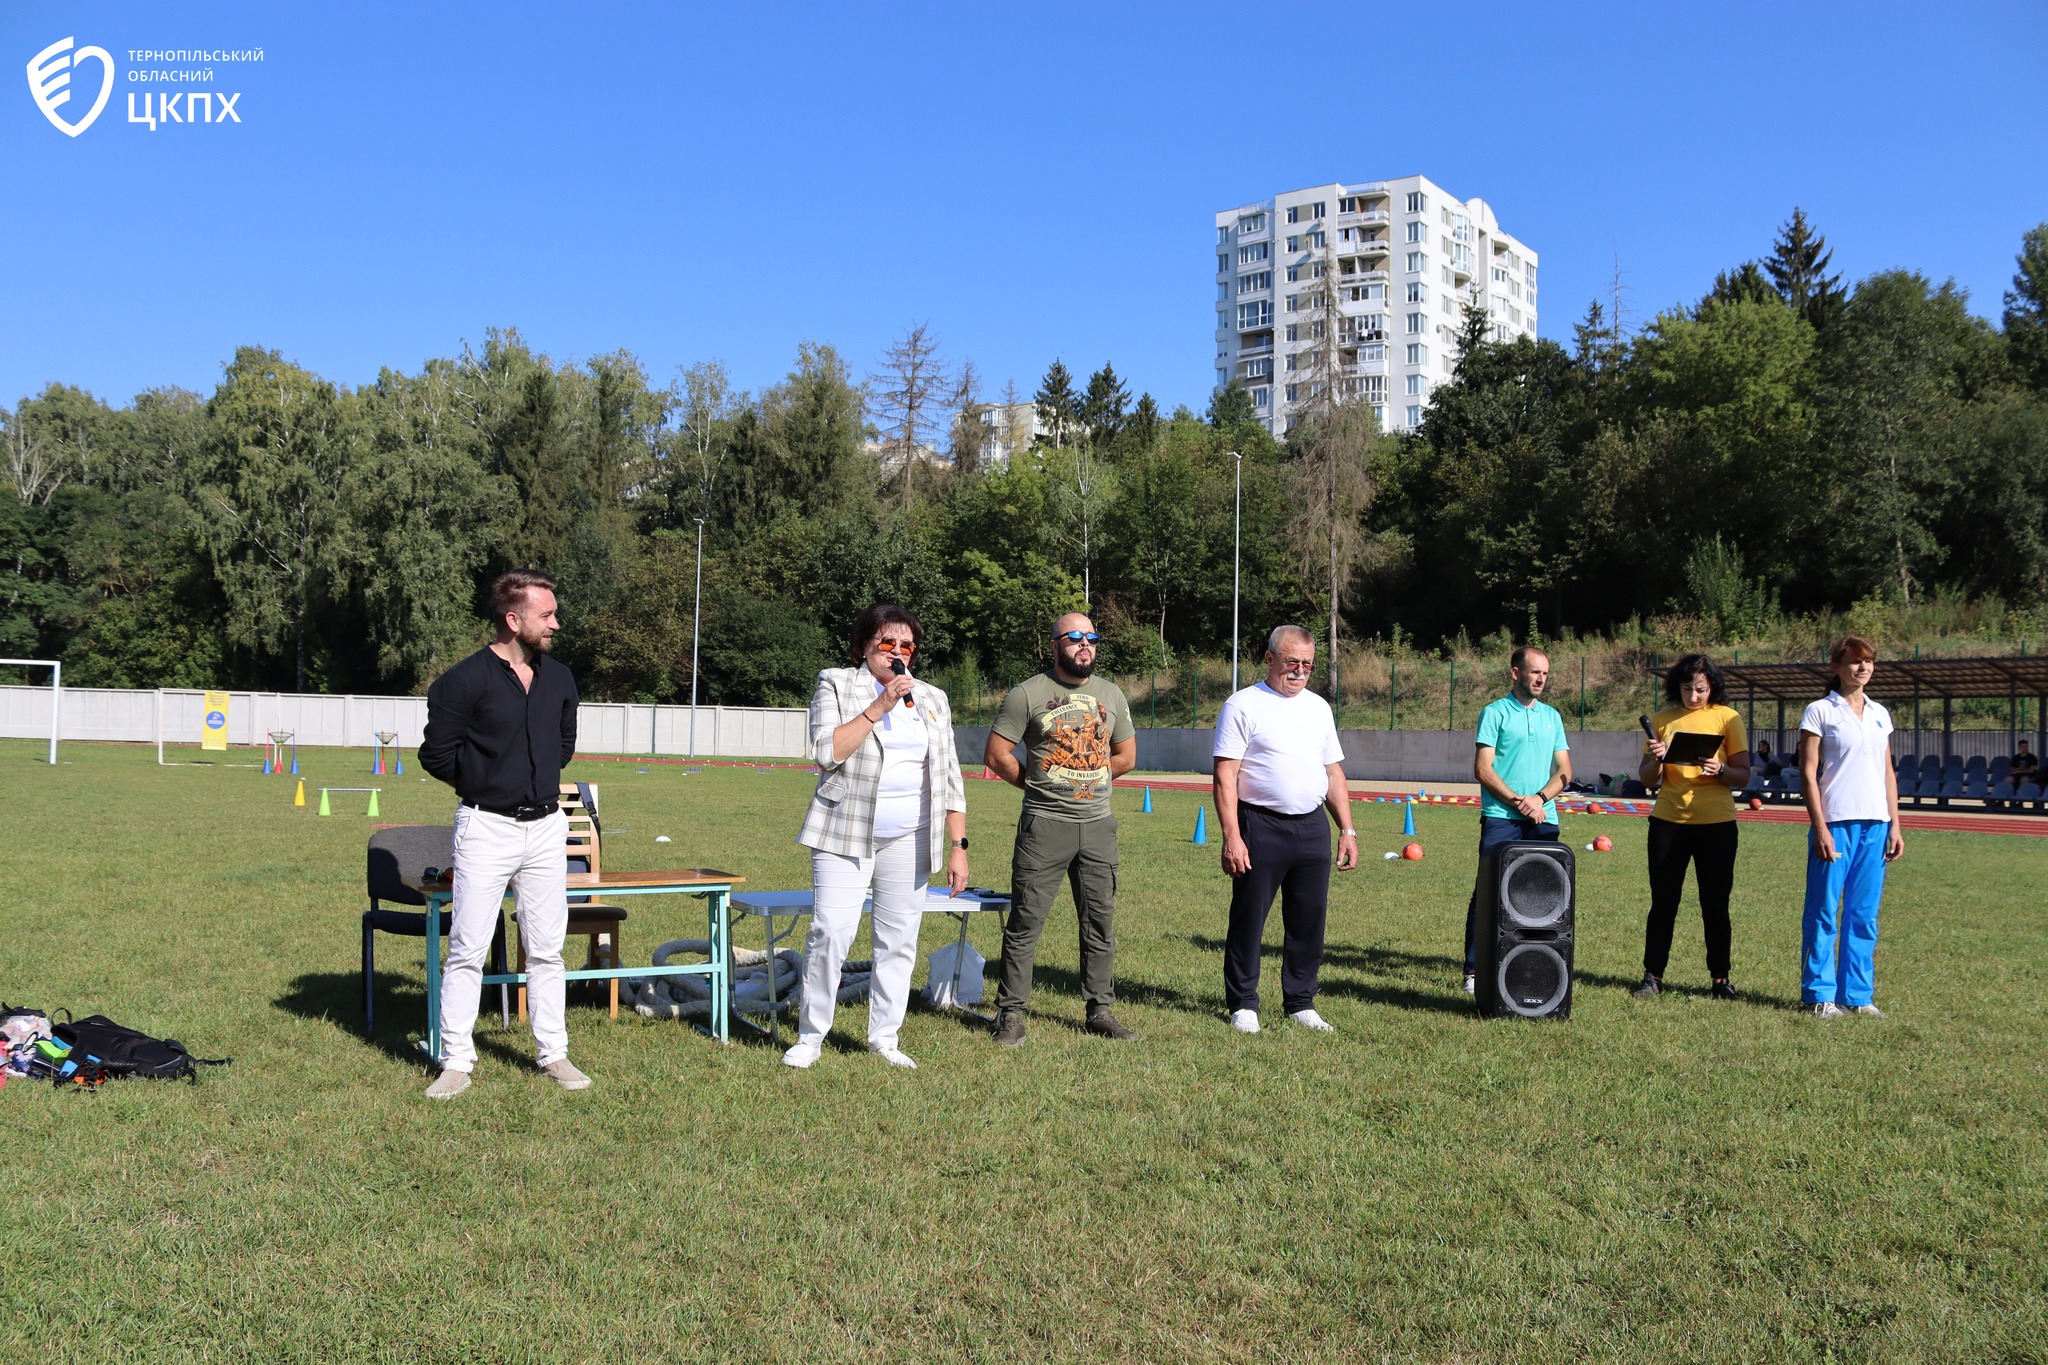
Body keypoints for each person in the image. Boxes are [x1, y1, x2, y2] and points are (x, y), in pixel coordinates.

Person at [418, 569, 588, 1100]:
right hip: (485, 827)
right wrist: (490, 786)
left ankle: (553, 1055)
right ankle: (456, 1062)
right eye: (547, 615)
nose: (556, 624)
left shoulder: (560, 678)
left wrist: (531, 787)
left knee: (546, 949)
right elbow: (435, 754)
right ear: (513, 620)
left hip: (545, 829)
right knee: (467, 947)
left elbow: (563, 747)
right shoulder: (462, 682)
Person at [787, 604, 969, 1070]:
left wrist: (957, 845)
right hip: (844, 831)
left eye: (906, 645)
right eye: (887, 643)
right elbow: (826, 753)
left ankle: (884, 1038)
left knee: (898, 940)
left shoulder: (931, 698)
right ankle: (811, 1036)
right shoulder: (837, 683)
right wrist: (880, 704)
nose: (897, 653)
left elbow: (949, 775)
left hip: (910, 837)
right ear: (864, 644)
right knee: (831, 933)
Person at [984, 613, 1140, 1047]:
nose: (1084, 645)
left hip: (1097, 826)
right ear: (1054, 645)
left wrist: (1088, 773)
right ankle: (1011, 1013)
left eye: (1091, 637)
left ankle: (1100, 1010)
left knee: (1099, 922)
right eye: (1074, 638)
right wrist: (1038, 782)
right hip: (1044, 825)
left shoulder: (1110, 694)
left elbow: (1126, 756)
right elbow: (997, 755)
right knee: (1026, 921)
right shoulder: (1027, 694)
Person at [1212, 625, 1358, 1034]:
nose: (1298, 671)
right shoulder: (1242, 705)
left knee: (1309, 918)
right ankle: (1243, 1003)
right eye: (1291, 662)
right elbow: (1225, 776)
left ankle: (1300, 1001)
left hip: (1312, 827)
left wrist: (1347, 829)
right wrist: (1232, 836)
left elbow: (1333, 771)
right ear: (1270, 658)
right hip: (1260, 824)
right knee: (1249, 917)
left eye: (1307, 665)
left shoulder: (1318, 708)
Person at [1630, 654, 1752, 1001]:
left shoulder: (1728, 718)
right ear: (1676, 688)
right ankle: (1652, 976)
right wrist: (1656, 758)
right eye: (1687, 689)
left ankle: (1720, 979)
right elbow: (1647, 779)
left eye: (1700, 689)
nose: (1694, 696)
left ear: (1712, 687)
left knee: (1715, 903)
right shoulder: (1663, 721)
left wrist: (1721, 770)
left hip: (1717, 824)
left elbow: (1744, 774)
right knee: (1663, 902)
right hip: (1668, 823)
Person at [1798, 636, 1902, 1019]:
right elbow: (1808, 774)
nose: (1864, 668)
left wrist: (1895, 824)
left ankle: (1857, 996)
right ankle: (1818, 994)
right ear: (1836, 667)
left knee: (1863, 914)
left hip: (1876, 825)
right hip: (1836, 822)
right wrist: (1820, 826)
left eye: (1869, 662)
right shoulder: (1819, 711)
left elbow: (1888, 772)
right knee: (1824, 911)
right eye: (1856, 662)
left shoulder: (1880, 713)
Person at [1462, 648, 1571, 995]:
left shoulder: (1552, 717)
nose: (1540, 679)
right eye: (1534, 672)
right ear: (1515, 673)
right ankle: (1474, 970)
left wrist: (1539, 799)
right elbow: (1482, 769)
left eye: (1545, 674)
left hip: (1544, 818)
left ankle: (1532, 966)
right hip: (1501, 818)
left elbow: (1566, 772)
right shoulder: (1494, 713)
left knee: (1542, 897)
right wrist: (1519, 802)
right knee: (1489, 894)